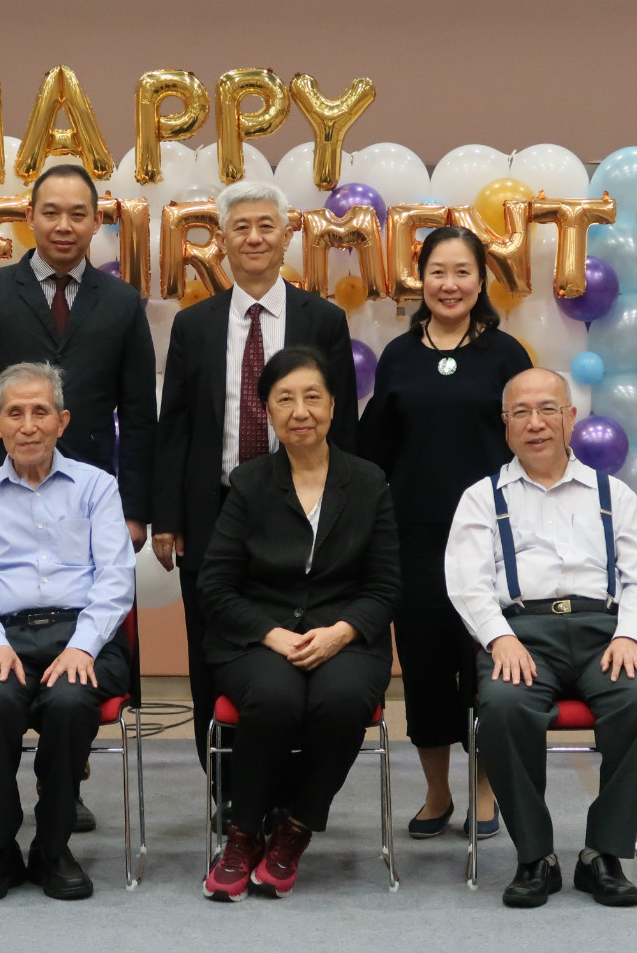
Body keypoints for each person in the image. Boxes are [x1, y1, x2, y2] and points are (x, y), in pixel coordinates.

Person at [0, 162, 156, 833]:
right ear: (29, 218)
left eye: (78, 213)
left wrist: (135, 507)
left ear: (97, 222)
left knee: (79, 654)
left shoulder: (121, 303)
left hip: (84, 498)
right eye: (51, 212)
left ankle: (68, 782)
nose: (64, 225)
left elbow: (138, 413)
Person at [152, 179, 358, 781]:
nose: (254, 238)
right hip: (213, 511)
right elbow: (175, 427)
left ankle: (287, 785)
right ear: (221, 241)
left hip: (302, 508)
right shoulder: (194, 325)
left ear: (287, 235)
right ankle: (223, 790)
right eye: (240, 227)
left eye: (267, 225)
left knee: (296, 644)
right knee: (211, 650)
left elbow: (342, 424)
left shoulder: (324, 319)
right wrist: (168, 517)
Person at [445, 368, 637, 909]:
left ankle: (603, 853)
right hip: (522, 634)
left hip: (605, 633)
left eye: (548, 409)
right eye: (521, 412)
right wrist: (498, 639)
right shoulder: (482, 498)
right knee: (503, 706)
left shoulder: (613, 494)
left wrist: (631, 636)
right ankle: (535, 857)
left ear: (570, 418)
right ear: (505, 424)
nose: (536, 423)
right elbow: (467, 583)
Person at [199, 346, 399, 902]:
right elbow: (215, 585)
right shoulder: (248, 483)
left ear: (333, 406)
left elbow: (386, 587)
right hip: (259, 636)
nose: (300, 411)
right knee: (274, 697)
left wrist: (340, 633)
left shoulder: (368, 482)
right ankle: (243, 833)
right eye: (284, 400)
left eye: (313, 397)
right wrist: (271, 634)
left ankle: (296, 827)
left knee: (341, 699)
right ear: (267, 412)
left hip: (346, 636)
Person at [358, 226, 531, 840]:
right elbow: (375, 451)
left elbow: (529, 444)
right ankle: (437, 792)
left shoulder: (507, 355)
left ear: (481, 281)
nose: (449, 284)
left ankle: (485, 788)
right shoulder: (399, 355)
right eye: (438, 272)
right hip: (416, 538)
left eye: (462, 272)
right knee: (426, 667)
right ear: (421, 280)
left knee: (483, 662)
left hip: (494, 539)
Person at [0, 362, 135, 903]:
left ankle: (52, 847)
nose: (28, 425)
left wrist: (82, 646)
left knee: (71, 701)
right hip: (3, 635)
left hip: (81, 632)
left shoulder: (97, 487)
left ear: (62, 421)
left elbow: (116, 579)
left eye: (40, 412)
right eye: (15, 413)